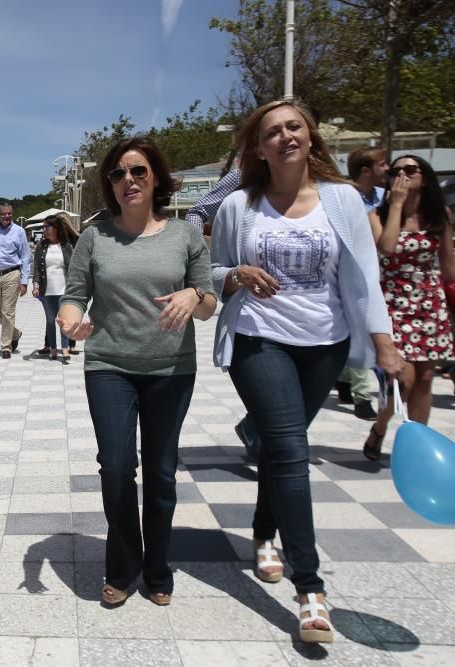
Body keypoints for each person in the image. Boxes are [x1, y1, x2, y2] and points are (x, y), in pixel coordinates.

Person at [209, 99, 404, 644]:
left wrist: (384, 344)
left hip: (326, 345)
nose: (285, 137)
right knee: (291, 450)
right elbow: (213, 271)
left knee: (281, 446)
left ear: (311, 137)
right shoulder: (238, 206)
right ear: (258, 147)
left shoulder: (343, 200)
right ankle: (310, 590)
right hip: (258, 339)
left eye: (294, 127)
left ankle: (264, 530)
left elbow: (365, 277)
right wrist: (238, 273)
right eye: (272, 132)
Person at [58, 137, 217, 610]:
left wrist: (193, 296)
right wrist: (68, 320)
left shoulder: (185, 233)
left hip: (171, 369)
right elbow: (74, 294)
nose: (128, 180)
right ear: (108, 184)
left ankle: (157, 566)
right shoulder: (95, 236)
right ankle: (122, 565)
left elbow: (208, 303)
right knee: (117, 467)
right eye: (118, 174)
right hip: (109, 365)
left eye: (138, 171)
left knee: (162, 473)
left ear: (156, 178)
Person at [363, 154, 454, 459]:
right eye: (396, 171)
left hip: (430, 303)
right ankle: (380, 426)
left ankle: (418, 446)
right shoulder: (378, 215)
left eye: (410, 170)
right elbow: (387, 249)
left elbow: (449, 269)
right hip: (393, 304)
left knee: (426, 378)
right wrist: (398, 205)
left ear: (424, 178)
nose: (402, 174)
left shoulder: (439, 215)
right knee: (403, 380)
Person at [333, 146, 391, 420]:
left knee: (362, 332)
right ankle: (363, 395)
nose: (388, 169)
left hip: (389, 278)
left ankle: (345, 378)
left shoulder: (384, 197)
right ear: (366, 170)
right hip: (353, 277)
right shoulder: (344, 197)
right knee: (359, 328)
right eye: (382, 163)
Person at [0, 203, 31, 358]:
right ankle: (15, 333)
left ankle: (6, 347)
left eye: (9, 213)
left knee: (7, 311)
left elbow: (25, 256)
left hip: (12, 274)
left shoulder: (19, 231)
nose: (7, 216)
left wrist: (24, 281)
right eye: (4, 214)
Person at [31, 212, 78, 360]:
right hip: (47, 290)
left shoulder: (66, 245)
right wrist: (36, 285)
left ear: (55, 228)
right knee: (50, 320)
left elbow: (72, 267)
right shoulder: (41, 246)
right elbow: (37, 268)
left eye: (46, 227)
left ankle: (64, 348)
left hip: (64, 289)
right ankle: (52, 348)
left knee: (63, 320)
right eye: (43, 227)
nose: (44, 229)